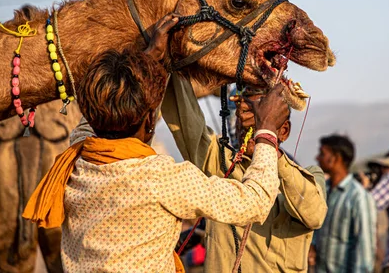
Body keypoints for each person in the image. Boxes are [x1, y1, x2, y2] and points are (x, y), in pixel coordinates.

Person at [23, 14, 288, 272]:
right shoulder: (160, 178)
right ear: (151, 119)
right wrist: (266, 130)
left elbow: (91, 120)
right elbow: (254, 201)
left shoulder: (79, 158)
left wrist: (149, 59)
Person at [164, 85, 328, 273]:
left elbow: (314, 215)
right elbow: (180, 110)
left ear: (283, 131)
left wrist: (266, 135)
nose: (246, 122)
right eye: (244, 114)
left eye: (261, 116)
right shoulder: (221, 164)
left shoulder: (309, 177)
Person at [312, 134, 376, 273]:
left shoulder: (358, 197)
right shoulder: (324, 192)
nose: (317, 158)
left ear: (336, 158)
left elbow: (364, 248)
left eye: (322, 153)